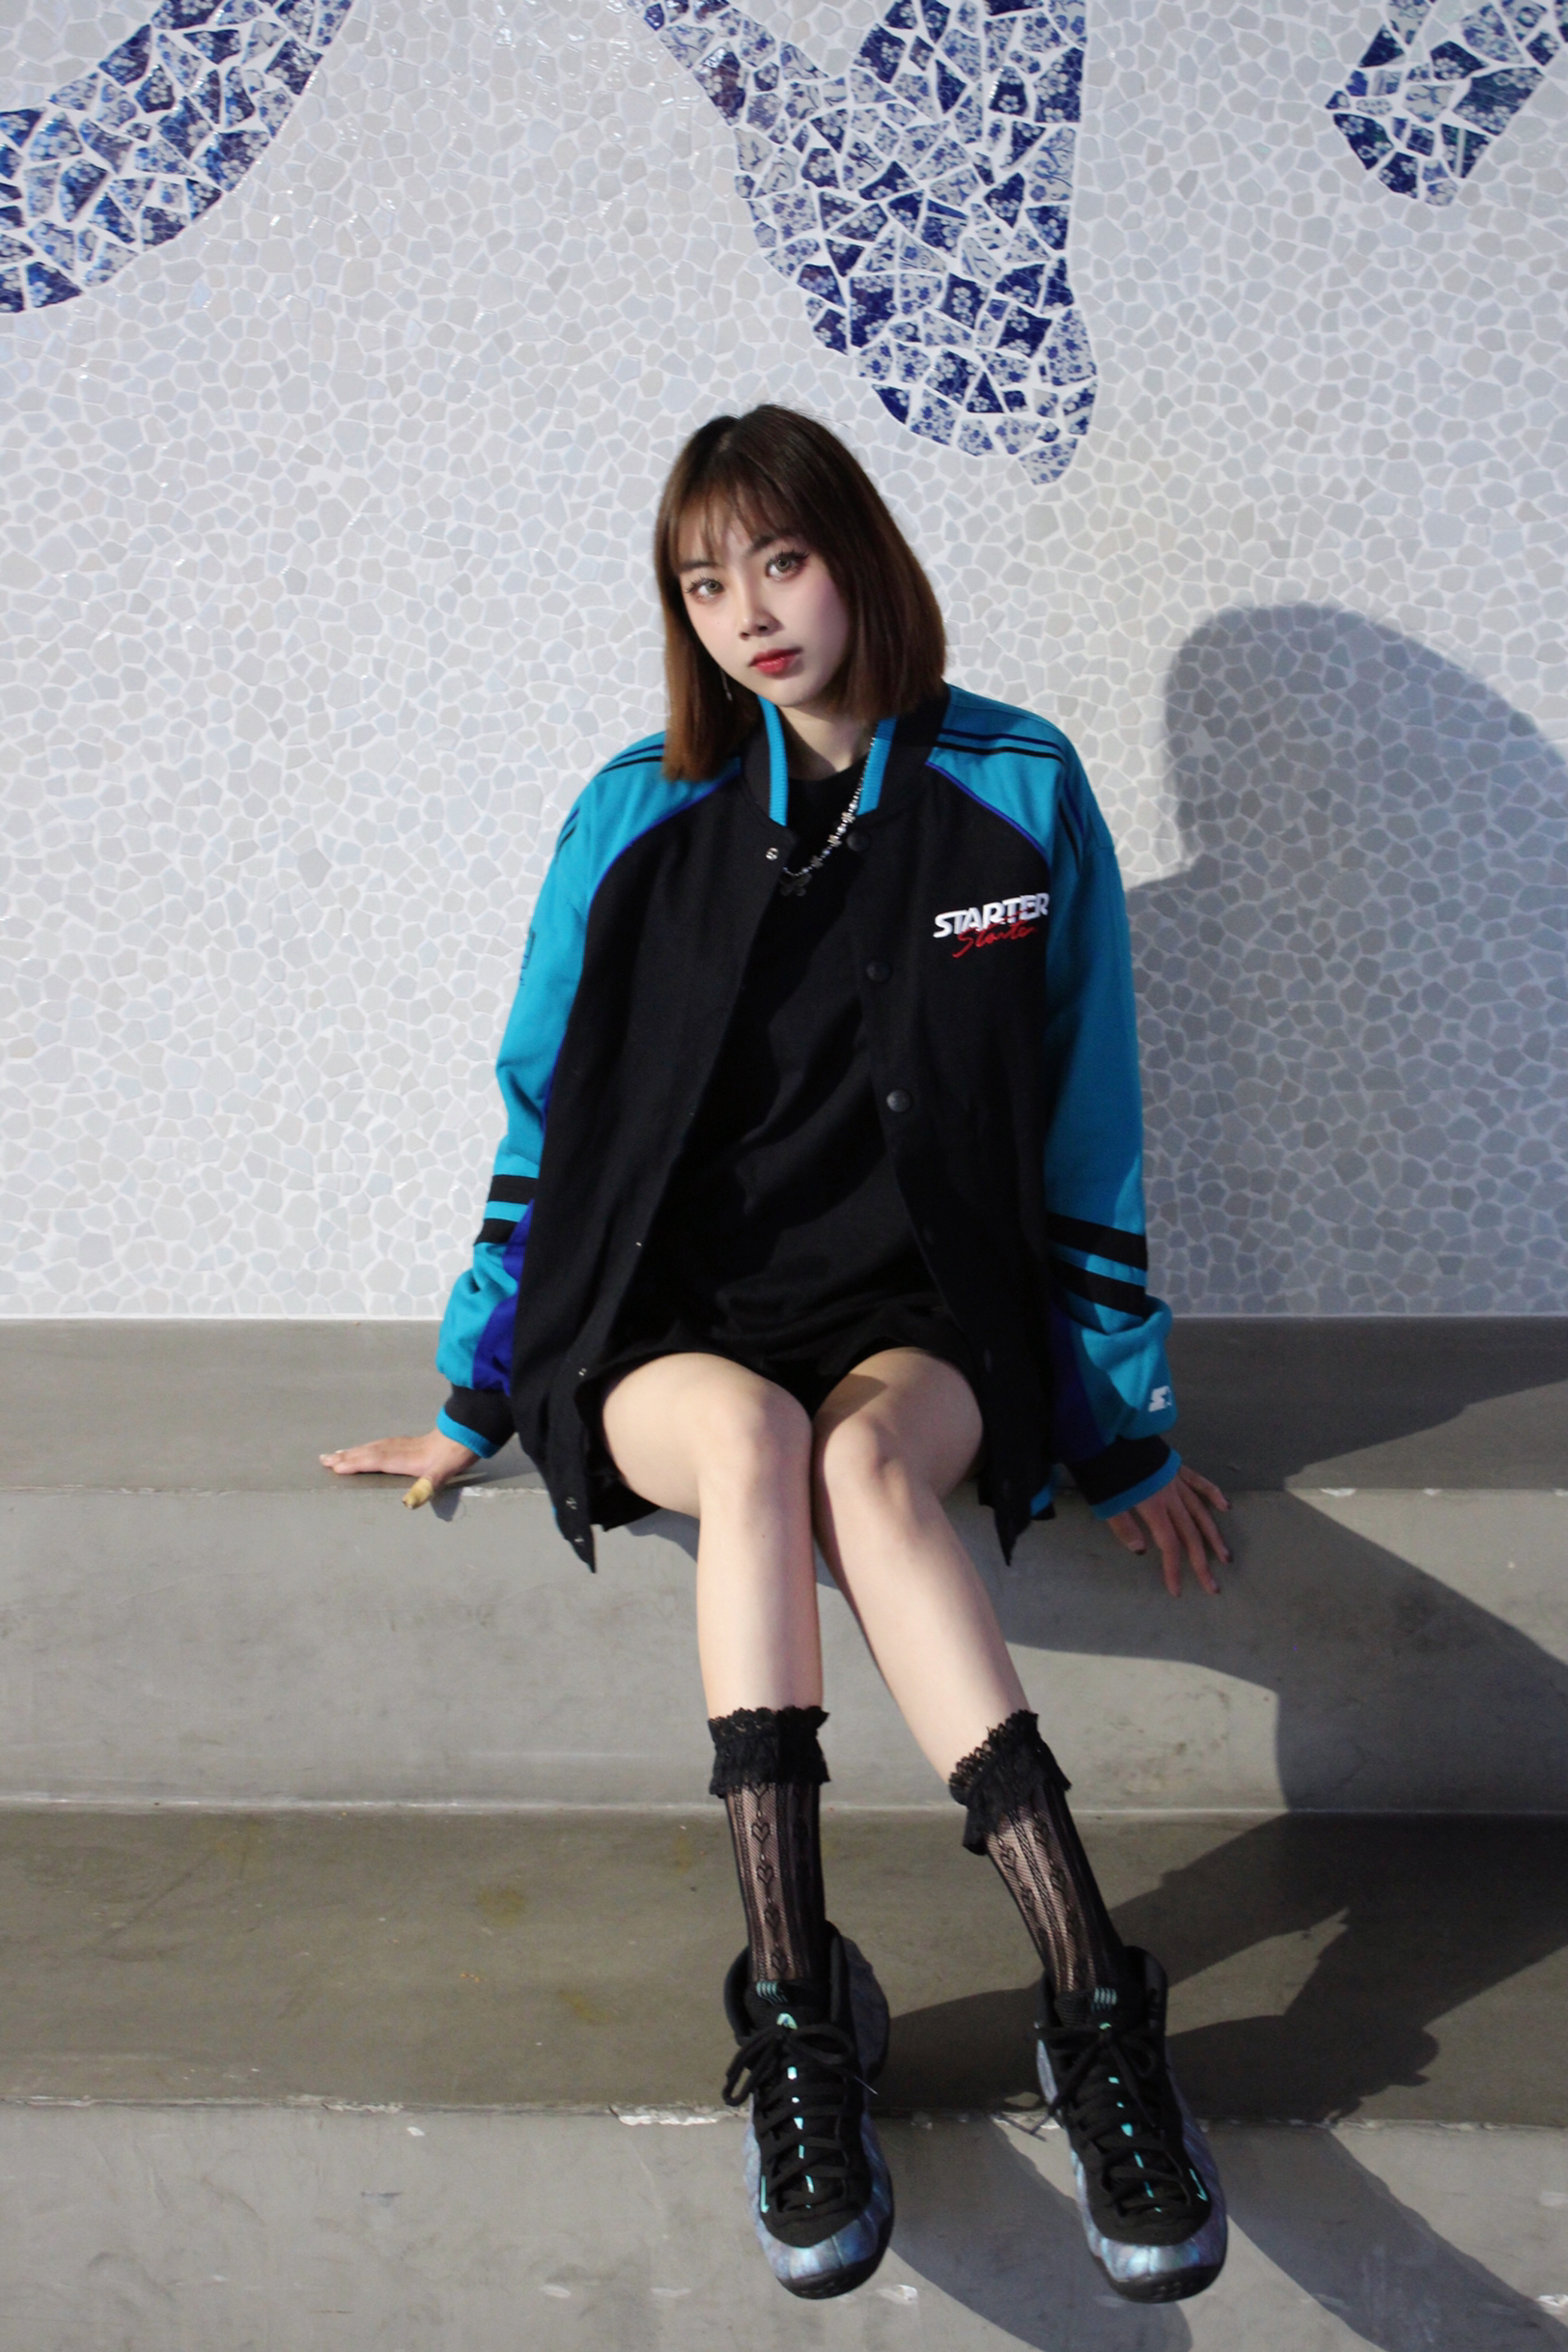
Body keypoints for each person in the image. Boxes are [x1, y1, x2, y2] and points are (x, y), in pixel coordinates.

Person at [322, 406, 1233, 2305]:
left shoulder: (1013, 788)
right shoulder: (632, 812)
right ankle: (799, 2016)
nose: (747, 612)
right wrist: (471, 1392)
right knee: (753, 1450)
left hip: (919, 1315)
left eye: (781, 562)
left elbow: (1089, 1121)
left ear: (857, 557)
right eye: (702, 581)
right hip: (674, 1324)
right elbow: (544, 1114)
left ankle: (1095, 2010)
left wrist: (1123, 1426)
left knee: (864, 1467)